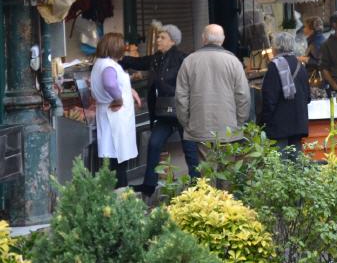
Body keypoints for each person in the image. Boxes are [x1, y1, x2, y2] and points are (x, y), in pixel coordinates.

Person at [121, 23, 198, 197]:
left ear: (172, 40)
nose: (158, 40)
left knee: (189, 147)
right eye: (158, 37)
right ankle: (149, 185)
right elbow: (138, 62)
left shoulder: (182, 58)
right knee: (154, 143)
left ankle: (197, 184)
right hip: (163, 111)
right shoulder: (156, 58)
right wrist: (117, 60)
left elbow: (192, 82)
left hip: (181, 110)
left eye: (162, 37)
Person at [175, 24, 251, 152]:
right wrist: (239, 122)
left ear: (203, 38)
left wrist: (187, 123)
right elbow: (243, 96)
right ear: (222, 39)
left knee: (206, 168)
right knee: (228, 168)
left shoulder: (189, 61)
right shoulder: (233, 62)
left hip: (200, 126)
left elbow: (181, 97)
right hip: (228, 128)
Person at [91, 32, 141, 188]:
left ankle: (119, 194)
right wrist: (119, 99)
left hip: (109, 114)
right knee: (118, 160)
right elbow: (110, 84)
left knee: (114, 159)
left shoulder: (100, 63)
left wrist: (129, 91)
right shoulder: (108, 65)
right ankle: (121, 196)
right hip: (115, 116)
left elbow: (115, 83)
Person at [261, 31, 311, 157]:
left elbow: (269, 99)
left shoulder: (274, 66)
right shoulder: (301, 65)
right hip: (298, 123)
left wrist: (263, 122)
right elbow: (308, 97)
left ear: (276, 47)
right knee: (297, 166)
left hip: (279, 126)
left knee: (280, 166)